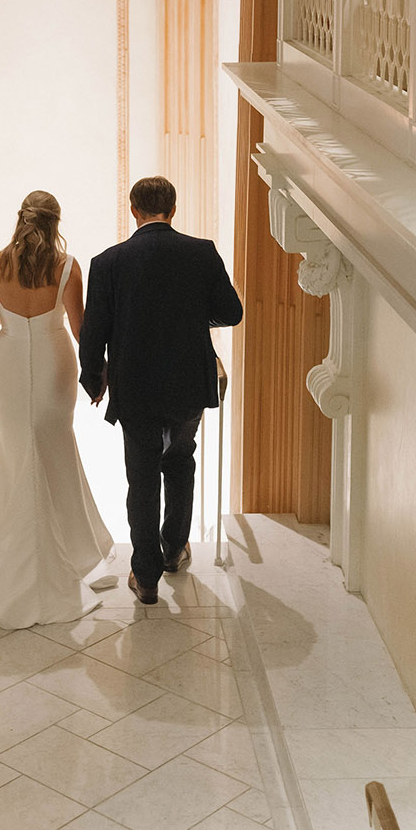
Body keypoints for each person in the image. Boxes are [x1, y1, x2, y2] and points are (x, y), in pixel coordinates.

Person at [0, 190, 112, 629]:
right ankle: (67, 554)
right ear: (56, 224)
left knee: (15, 452)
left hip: (11, 365)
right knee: (52, 450)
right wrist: (101, 373)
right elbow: (79, 329)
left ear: (20, 219)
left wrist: (7, 317)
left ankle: (5, 560)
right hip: (54, 363)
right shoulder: (67, 268)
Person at [78, 175, 243, 605]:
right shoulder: (201, 253)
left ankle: (145, 576)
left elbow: (93, 333)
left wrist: (93, 379)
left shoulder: (108, 262)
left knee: (142, 477)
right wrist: (191, 316)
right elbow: (231, 311)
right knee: (180, 460)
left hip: (134, 388)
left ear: (133, 209)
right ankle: (174, 550)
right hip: (189, 382)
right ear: (173, 209)